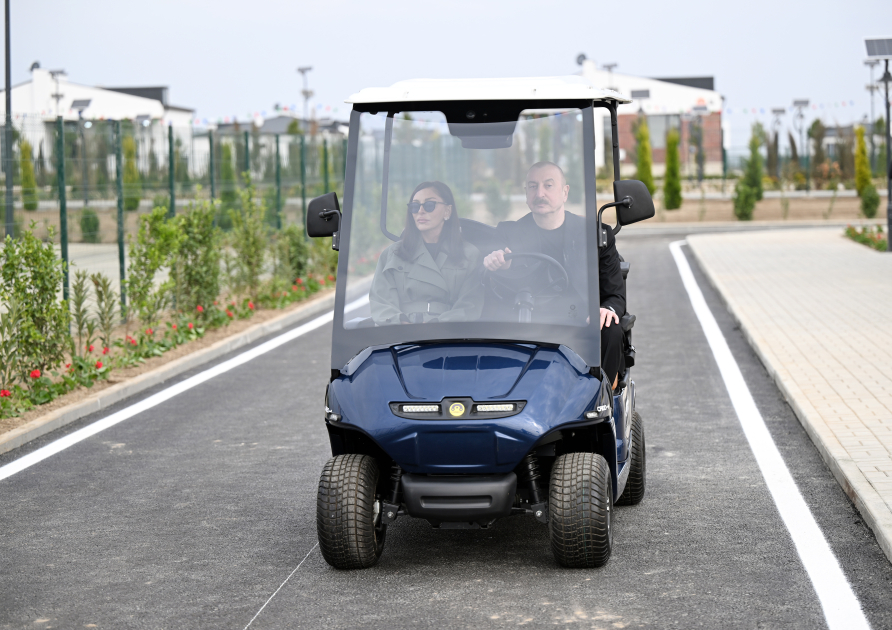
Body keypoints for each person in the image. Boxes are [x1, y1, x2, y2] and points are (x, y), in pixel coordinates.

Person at [483, 161, 626, 389]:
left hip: (580, 324)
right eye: (533, 186)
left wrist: (604, 310)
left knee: (611, 326)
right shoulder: (507, 233)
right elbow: (491, 283)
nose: (540, 193)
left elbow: (615, 296)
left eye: (548, 185)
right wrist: (496, 266)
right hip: (526, 323)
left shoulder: (596, 234)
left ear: (565, 192)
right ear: (526, 193)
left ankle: (602, 396)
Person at [370, 181, 483, 325]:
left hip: (448, 335)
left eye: (429, 205)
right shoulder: (392, 254)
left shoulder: (469, 255)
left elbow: (470, 306)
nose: (420, 211)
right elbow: (381, 303)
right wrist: (403, 326)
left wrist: (436, 327)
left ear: (447, 211)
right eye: (415, 206)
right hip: (401, 337)